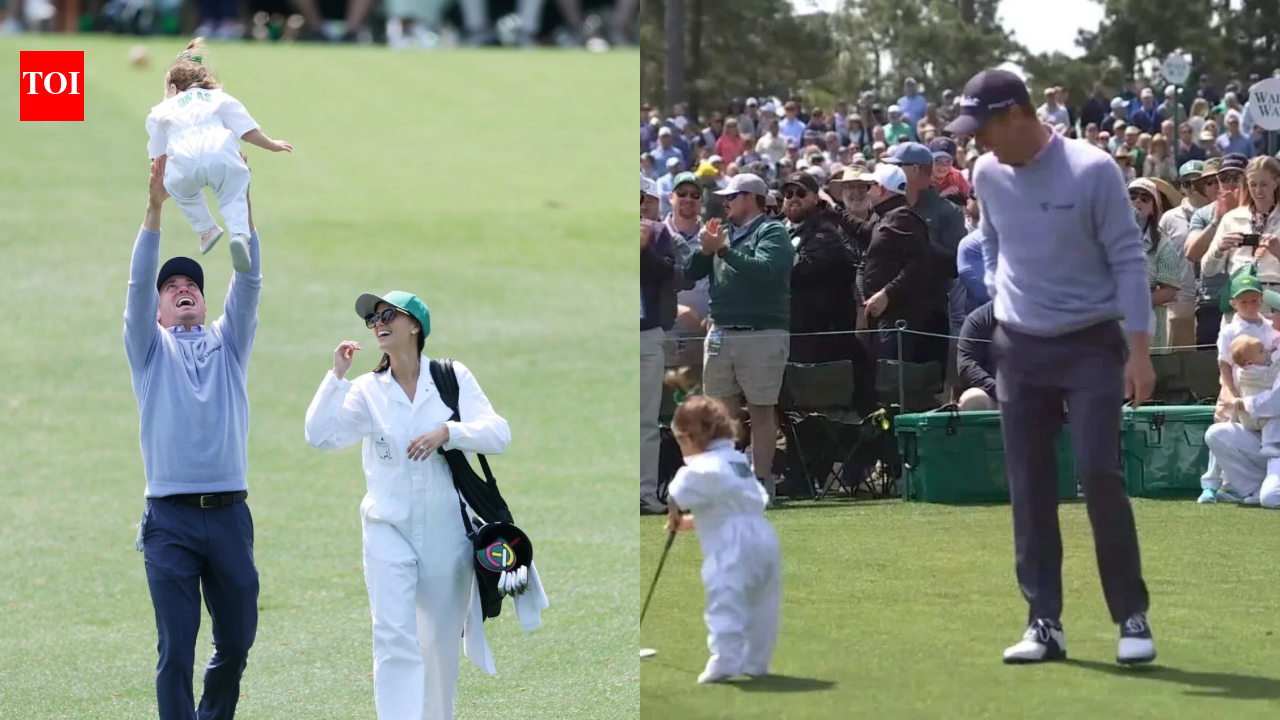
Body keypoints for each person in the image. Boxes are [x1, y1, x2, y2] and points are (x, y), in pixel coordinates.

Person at [948, 69, 1157, 665]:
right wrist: (1001, 292)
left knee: (1099, 473)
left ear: (1018, 115)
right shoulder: (987, 172)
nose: (977, 142)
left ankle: (1131, 615)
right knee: (1029, 483)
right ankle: (1044, 622)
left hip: (1092, 342)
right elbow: (991, 240)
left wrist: (1140, 351)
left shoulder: (1092, 169)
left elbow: (1128, 261)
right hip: (1019, 348)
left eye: (983, 128)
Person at [303, 291, 546, 720]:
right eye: (372, 319)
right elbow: (320, 435)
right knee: (393, 634)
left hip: (445, 530)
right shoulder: (366, 390)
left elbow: (498, 433)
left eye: (388, 314)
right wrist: (336, 377)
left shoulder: (451, 377)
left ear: (415, 325)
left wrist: (448, 432)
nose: (378, 323)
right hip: (386, 526)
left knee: (437, 641)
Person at [127, 154, 262, 719]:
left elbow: (249, 281)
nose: (183, 289)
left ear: (204, 303)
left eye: (192, 286)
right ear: (159, 311)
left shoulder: (228, 345)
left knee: (237, 641)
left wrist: (239, 198)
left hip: (230, 517)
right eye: (172, 287)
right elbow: (138, 285)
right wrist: (154, 209)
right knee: (176, 650)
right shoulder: (149, 351)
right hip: (170, 521)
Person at [683, 173, 795, 504]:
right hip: (721, 331)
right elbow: (690, 273)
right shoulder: (723, 231)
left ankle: (761, 481)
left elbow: (766, 271)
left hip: (761, 333)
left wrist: (724, 250)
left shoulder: (772, 231)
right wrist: (706, 251)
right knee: (719, 413)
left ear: (749, 197)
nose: (726, 202)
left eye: (732, 196)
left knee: (761, 410)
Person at [146, 38, 292, 273]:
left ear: (173, 89)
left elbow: (158, 155)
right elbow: (248, 131)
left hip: (184, 159)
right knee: (235, 190)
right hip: (218, 150)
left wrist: (162, 180)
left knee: (179, 189)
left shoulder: (160, 111)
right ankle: (239, 234)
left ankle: (206, 229)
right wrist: (273, 145)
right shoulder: (219, 97)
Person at [664, 395, 781, 684]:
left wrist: (674, 510)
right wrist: (690, 522)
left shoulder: (703, 465)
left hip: (731, 545)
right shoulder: (736, 460)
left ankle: (726, 659)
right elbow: (733, 502)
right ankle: (756, 661)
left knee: (725, 597)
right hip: (763, 536)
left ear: (690, 438)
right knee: (762, 602)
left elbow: (679, 490)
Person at [641, 208, 677, 514]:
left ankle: (644, 492)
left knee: (646, 420)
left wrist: (644, 250)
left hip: (646, 334)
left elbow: (668, 272)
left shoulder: (656, 231)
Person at [956, 300, 998, 410]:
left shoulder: (1039, 317)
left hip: (1035, 392)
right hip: (995, 394)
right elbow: (966, 364)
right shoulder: (978, 319)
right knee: (973, 399)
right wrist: (998, 389)